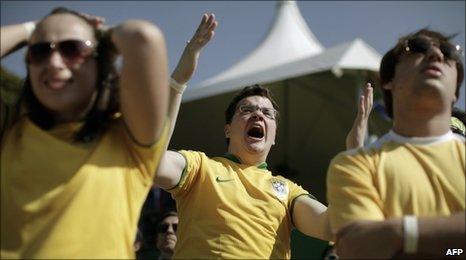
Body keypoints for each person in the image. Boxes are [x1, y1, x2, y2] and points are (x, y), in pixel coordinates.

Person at [1, 7, 169, 258]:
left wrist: (100, 36)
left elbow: (142, 38)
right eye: (39, 51)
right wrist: (34, 28)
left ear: (99, 60)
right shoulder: (10, 131)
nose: (54, 62)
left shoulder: (128, 139)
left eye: (73, 49)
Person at [326, 28, 465, 258]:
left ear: (456, 94)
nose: (436, 55)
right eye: (418, 47)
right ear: (388, 80)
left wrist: (397, 232)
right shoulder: (354, 164)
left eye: (449, 52)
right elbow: (358, 248)